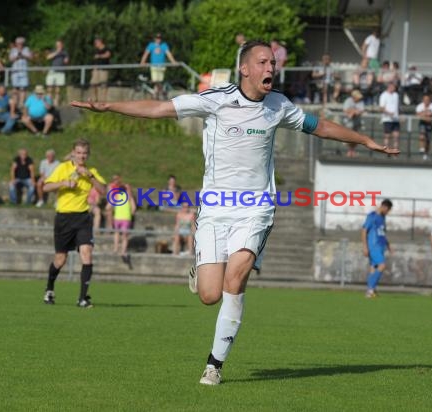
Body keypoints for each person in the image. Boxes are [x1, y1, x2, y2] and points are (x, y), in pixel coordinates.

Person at [71, 40, 398, 385]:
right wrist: (107, 106)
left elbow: (321, 126)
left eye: (273, 62)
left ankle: (214, 364)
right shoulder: (216, 100)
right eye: (263, 62)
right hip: (214, 208)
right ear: (244, 69)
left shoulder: (279, 105)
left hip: (256, 208)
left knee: (236, 277)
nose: (271, 68)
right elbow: (158, 108)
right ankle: (200, 267)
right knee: (210, 295)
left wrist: (363, 140)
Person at [42, 138, 106, 308]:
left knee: (86, 253)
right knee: (60, 259)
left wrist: (90, 176)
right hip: (64, 218)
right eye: (78, 153)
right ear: (73, 153)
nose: (81, 156)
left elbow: (104, 191)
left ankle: (83, 298)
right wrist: (63, 183)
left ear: (88, 155)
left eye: (84, 153)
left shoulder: (91, 171)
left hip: (83, 218)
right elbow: (45, 187)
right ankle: (49, 289)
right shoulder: (63, 168)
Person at [362, 199, 393, 298]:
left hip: (380, 246)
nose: (388, 213)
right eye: (388, 210)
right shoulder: (372, 216)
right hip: (373, 246)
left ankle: (372, 291)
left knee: (373, 268)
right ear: (384, 207)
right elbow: (363, 231)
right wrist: (365, 247)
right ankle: (370, 289)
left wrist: (388, 245)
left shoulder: (382, 218)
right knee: (382, 265)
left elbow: (382, 233)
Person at [140, 33, 177, 100]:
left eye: (159, 38)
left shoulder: (164, 45)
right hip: (154, 66)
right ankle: (161, 93)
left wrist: (173, 62)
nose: (158, 39)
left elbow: (168, 54)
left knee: (159, 81)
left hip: (162, 67)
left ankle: (155, 95)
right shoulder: (151, 45)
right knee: (155, 81)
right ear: (155, 39)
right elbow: (146, 54)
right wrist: (142, 62)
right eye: (157, 38)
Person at [111, 182, 136, 267]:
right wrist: (130, 213)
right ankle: (123, 251)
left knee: (117, 233)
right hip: (126, 218)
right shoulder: (129, 197)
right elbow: (133, 208)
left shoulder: (116, 196)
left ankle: (115, 249)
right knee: (125, 236)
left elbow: (109, 206)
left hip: (117, 218)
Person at [8, 37, 33, 108]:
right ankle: (15, 103)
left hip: (23, 71)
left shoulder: (26, 49)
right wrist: (17, 57)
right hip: (15, 71)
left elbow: (31, 58)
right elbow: (10, 59)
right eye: (18, 43)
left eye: (21, 43)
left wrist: (23, 55)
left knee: (23, 88)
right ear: (16, 44)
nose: (20, 45)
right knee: (15, 88)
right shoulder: (13, 50)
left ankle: (21, 103)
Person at [45, 39, 69, 107]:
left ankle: (56, 103)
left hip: (61, 72)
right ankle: (48, 103)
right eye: (57, 45)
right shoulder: (53, 51)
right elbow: (48, 57)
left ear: (62, 45)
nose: (58, 46)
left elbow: (66, 61)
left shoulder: (65, 52)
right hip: (52, 71)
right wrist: (57, 52)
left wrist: (66, 60)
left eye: (59, 45)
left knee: (58, 89)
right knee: (49, 87)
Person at [342, 89, 365, 157]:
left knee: (356, 138)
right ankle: (349, 151)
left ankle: (352, 151)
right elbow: (346, 110)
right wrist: (354, 111)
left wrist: (353, 112)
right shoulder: (348, 101)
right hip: (348, 123)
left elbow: (361, 110)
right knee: (349, 138)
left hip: (357, 123)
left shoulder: (360, 102)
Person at [416, 94, 432, 160]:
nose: (426, 101)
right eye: (425, 100)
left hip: (429, 124)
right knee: (422, 134)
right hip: (422, 123)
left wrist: (428, 114)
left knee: (428, 140)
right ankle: (421, 148)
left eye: (427, 100)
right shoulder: (420, 106)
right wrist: (426, 115)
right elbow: (418, 114)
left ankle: (426, 154)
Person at [379, 82, 400, 151]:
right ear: (389, 86)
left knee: (396, 136)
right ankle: (386, 151)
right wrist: (389, 113)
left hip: (395, 119)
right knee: (387, 136)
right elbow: (381, 108)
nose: (395, 88)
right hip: (387, 119)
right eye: (393, 86)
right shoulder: (383, 95)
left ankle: (395, 152)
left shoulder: (396, 95)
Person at [90, 37, 111, 101]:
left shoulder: (106, 48)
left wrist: (100, 56)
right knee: (93, 83)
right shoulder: (96, 50)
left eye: (96, 43)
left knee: (103, 85)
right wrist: (93, 69)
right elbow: (95, 61)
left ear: (100, 42)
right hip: (96, 69)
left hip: (103, 69)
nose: (95, 44)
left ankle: (103, 100)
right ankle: (95, 99)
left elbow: (108, 55)